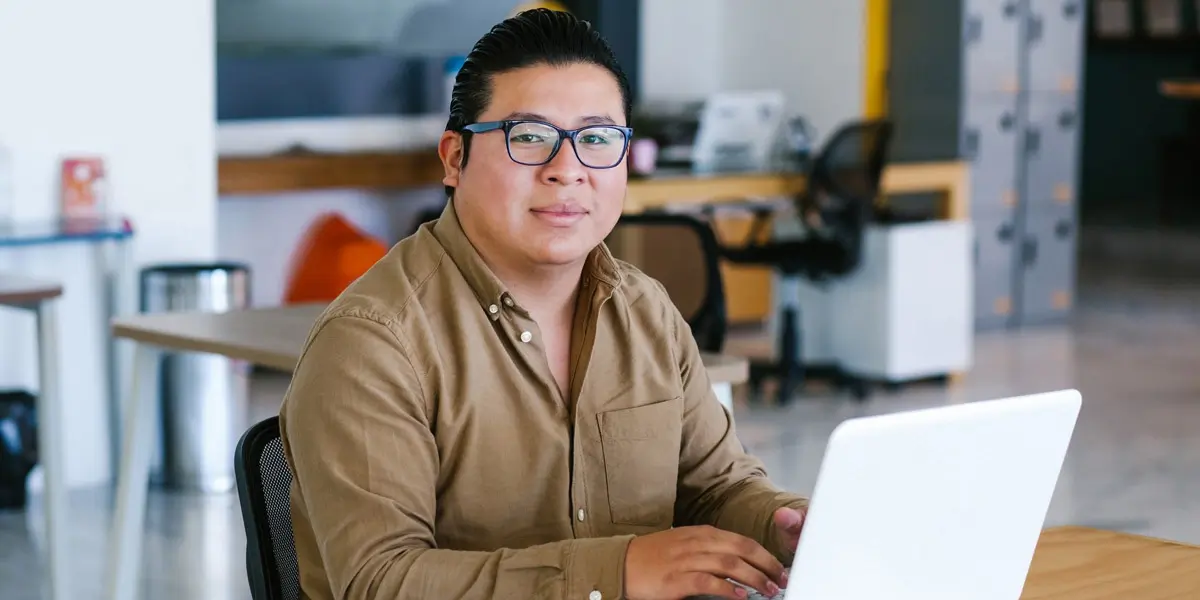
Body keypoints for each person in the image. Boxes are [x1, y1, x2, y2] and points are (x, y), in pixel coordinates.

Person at [279, 8, 809, 600]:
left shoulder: (645, 311)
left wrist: (785, 523)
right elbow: (380, 582)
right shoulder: (372, 341)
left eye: (597, 139)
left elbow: (715, 488)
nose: (567, 170)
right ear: (454, 158)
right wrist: (616, 572)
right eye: (528, 137)